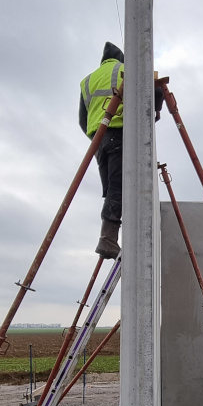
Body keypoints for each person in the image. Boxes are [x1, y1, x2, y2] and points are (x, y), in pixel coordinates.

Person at [80, 41, 125, 259]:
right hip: (120, 134)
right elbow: (152, 92)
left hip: (99, 140)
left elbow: (82, 120)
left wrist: (97, 137)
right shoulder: (125, 70)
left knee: (110, 190)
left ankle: (110, 233)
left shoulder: (88, 80)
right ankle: (108, 240)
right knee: (118, 189)